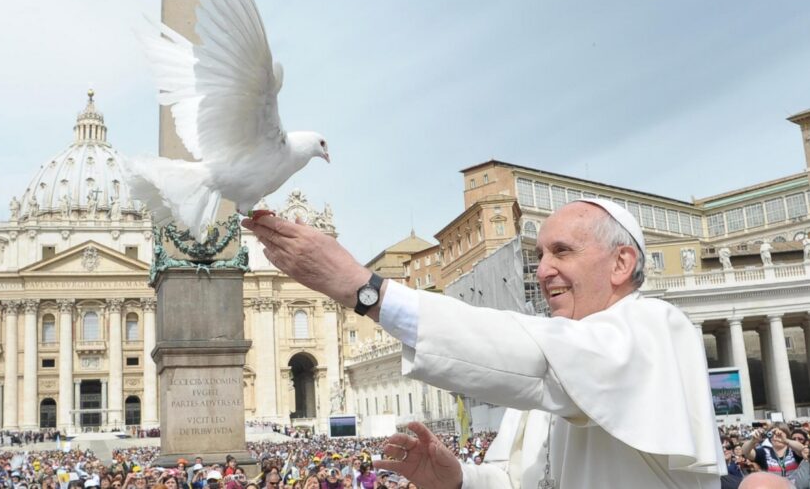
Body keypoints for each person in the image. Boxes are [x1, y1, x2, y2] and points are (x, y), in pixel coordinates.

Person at [243, 198, 725, 488]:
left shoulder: (656, 327)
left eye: (563, 251)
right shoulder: (557, 365)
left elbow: (534, 358)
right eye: (539, 254)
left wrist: (364, 289)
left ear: (621, 264)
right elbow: (518, 481)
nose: (542, 269)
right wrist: (460, 479)